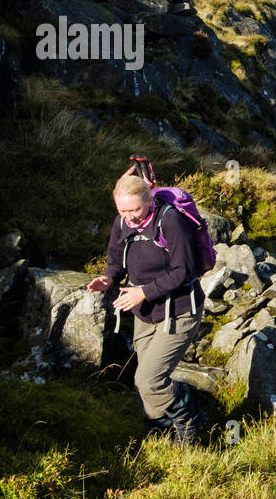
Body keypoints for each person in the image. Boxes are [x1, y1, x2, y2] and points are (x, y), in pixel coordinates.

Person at [87, 173, 206, 443]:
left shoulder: (170, 221)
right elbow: (115, 260)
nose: (130, 217)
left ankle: (191, 421)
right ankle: (161, 427)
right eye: (123, 210)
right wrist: (108, 278)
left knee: (149, 378)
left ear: (149, 199)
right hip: (145, 312)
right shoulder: (122, 223)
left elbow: (184, 271)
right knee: (146, 379)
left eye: (135, 209)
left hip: (179, 311)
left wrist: (143, 291)